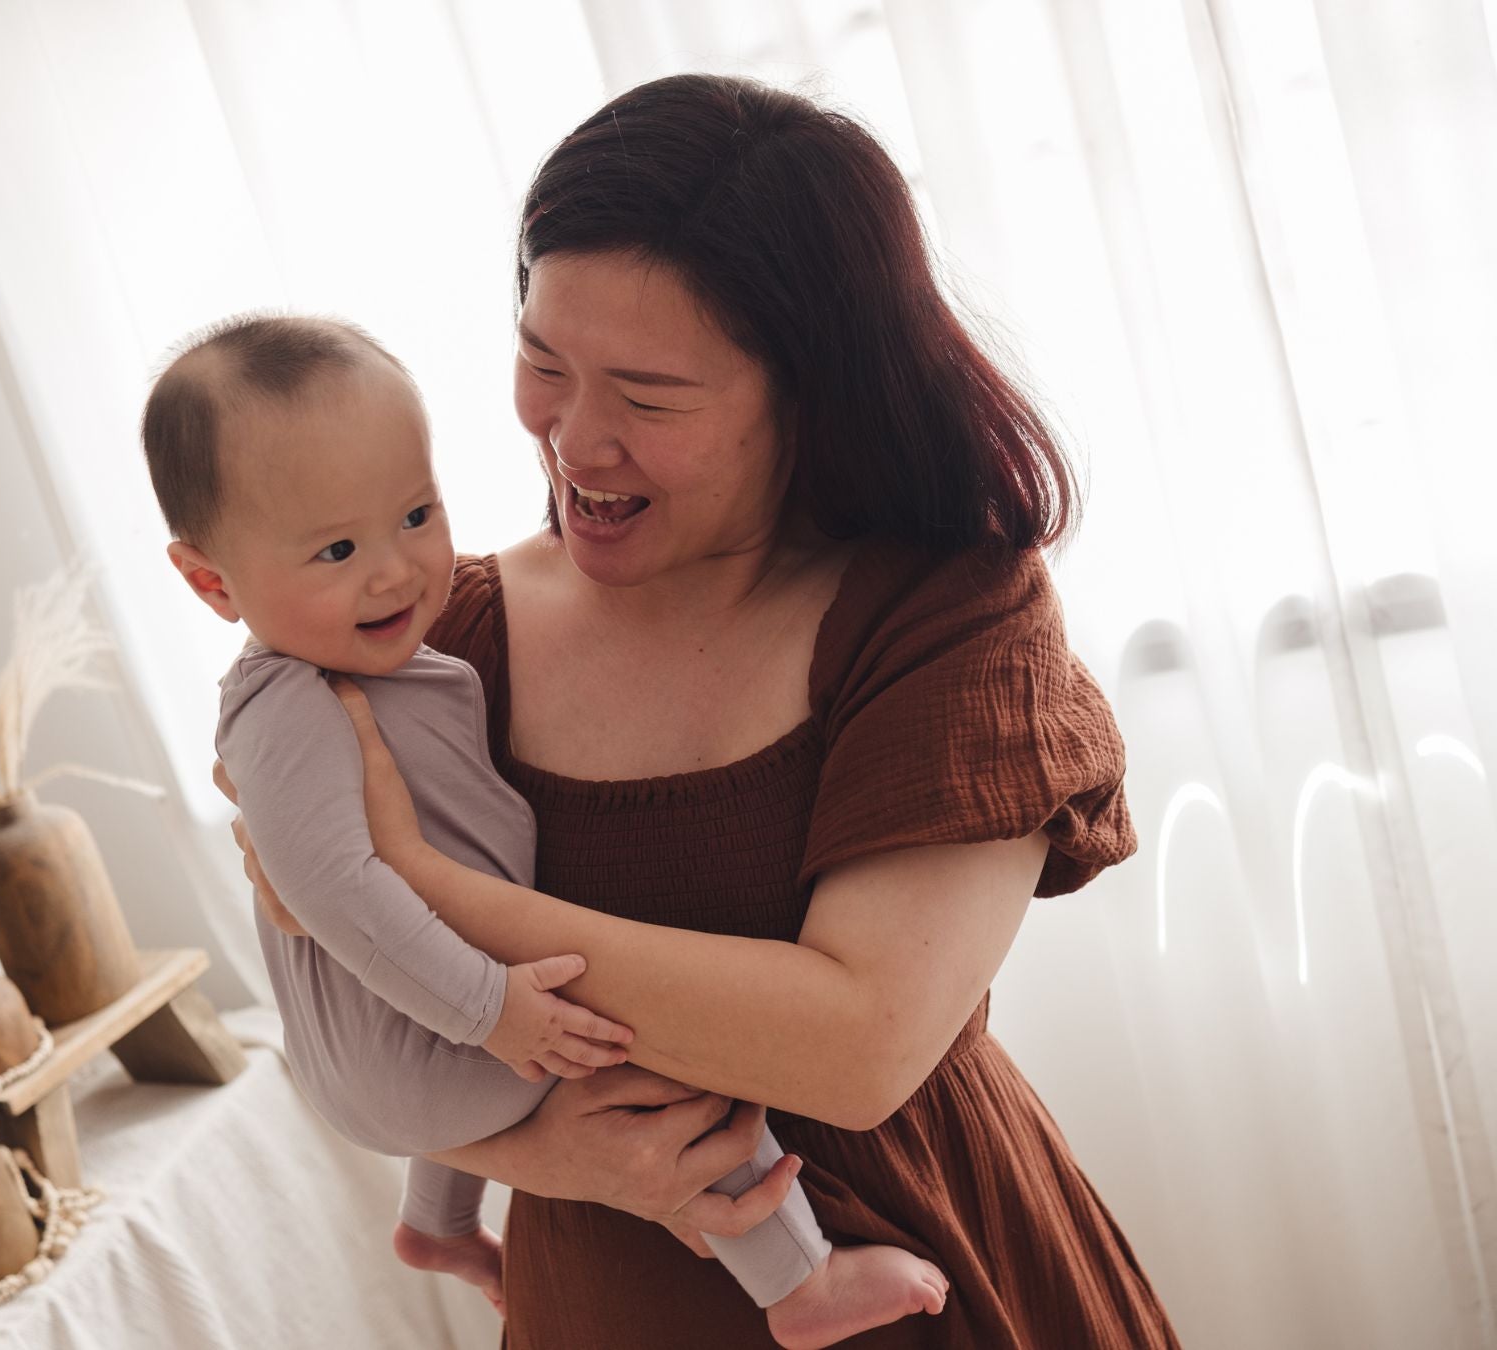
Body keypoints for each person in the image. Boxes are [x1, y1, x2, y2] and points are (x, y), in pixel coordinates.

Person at [221, 73, 1182, 1348]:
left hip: (926, 1273)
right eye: (542, 361)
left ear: (810, 392)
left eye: (651, 396)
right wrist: (558, 1158)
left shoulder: (951, 616)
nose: (576, 438)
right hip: (605, 1300)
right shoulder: (430, 637)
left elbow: (858, 1044)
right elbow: (338, 999)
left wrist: (418, 882)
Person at [146, 314, 950, 1348]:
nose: (395, 572)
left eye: (417, 514)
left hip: (413, 1045)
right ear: (213, 583)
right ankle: (798, 1283)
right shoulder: (293, 704)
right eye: (337, 549)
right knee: (658, 1057)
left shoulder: (377, 663)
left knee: (523, 1021)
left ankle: (435, 1228)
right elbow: (334, 893)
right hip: (413, 1045)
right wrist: (493, 1012)